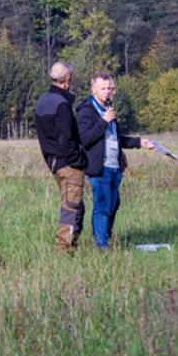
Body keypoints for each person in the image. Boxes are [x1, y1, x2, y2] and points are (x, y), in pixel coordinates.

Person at [75, 72, 155, 249]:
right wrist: (103, 122)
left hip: (114, 166)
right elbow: (84, 139)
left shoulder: (108, 108)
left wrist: (139, 142)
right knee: (102, 206)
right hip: (99, 167)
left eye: (110, 88)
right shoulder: (86, 111)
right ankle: (101, 246)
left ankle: (105, 237)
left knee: (113, 204)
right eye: (103, 88)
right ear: (93, 89)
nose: (107, 91)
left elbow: (117, 138)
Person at [35, 62, 89, 251]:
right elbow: (67, 140)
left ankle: (72, 245)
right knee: (71, 208)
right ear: (67, 80)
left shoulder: (42, 101)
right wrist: (79, 161)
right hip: (69, 165)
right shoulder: (62, 105)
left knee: (75, 207)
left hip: (54, 163)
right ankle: (64, 252)